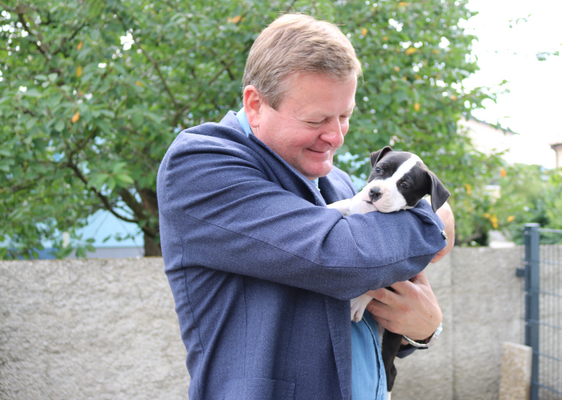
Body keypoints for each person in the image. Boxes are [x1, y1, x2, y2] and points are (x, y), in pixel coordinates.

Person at [157, 13, 454, 400]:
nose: (335, 136)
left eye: (344, 116)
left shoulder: (342, 183)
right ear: (255, 105)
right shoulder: (199, 165)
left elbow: (374, 306)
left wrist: (424, 329)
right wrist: (434, 219)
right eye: (316, 119)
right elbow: (339, 258)